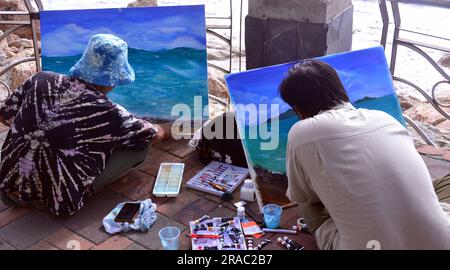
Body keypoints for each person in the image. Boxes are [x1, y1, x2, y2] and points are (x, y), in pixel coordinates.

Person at [279, 59, 450, 250]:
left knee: (307, 203)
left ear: (298, 108)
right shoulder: (386, 118)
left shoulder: (300, 133)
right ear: (338, 89)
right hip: (441, 242)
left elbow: (303, 197)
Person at [0, 34, 168, 216]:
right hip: (54, 203)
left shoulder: (41, 78)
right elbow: (154, 135)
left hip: (7, 184)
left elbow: (4, 115)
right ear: (114, 79)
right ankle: (72, 193)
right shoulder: (110, 113)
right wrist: (167, 127)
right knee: (139, 145)